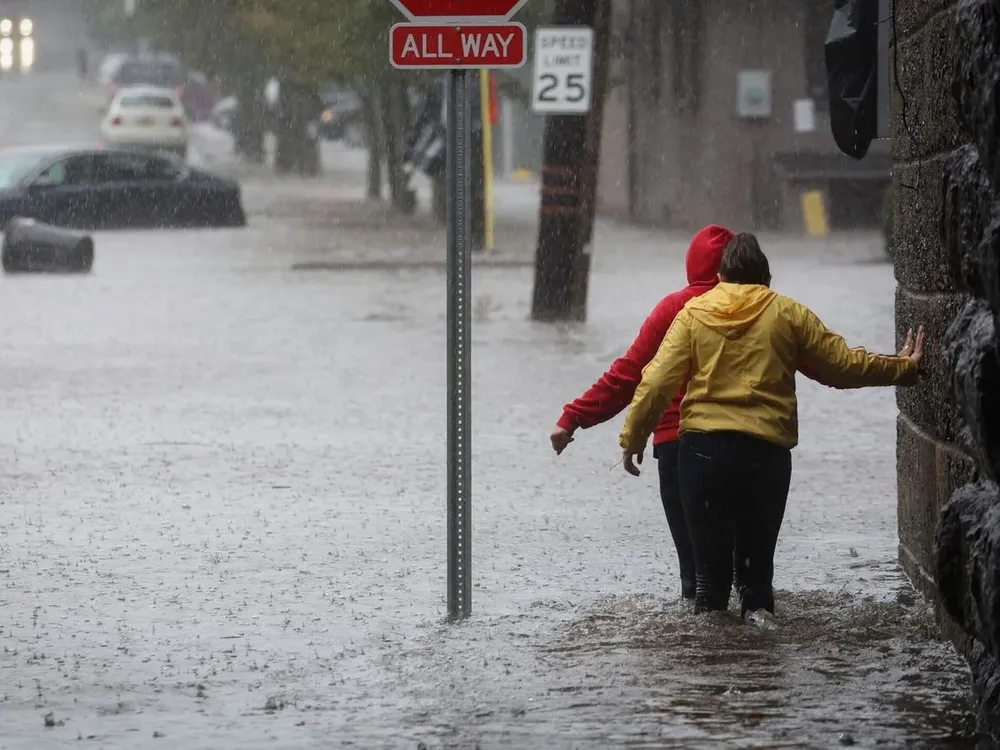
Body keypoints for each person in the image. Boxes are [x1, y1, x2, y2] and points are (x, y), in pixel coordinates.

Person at [617, 232, 925, 623]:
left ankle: (705, 653)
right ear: (765, 277)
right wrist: (903, 367)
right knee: (756, 581)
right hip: (764, 458)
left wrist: (633, 438)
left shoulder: (693, 315)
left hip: (703, 457)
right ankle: (762, 648)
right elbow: (842, 366)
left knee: (709, 585)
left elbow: (656, 382)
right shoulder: (788, 314)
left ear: (721, 277)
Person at [551, 225, 733, 600]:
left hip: (679, 448)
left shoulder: (674, 309)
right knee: (746, 570)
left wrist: (574, 417)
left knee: (697, 574)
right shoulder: (758, 308)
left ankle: (700, 633)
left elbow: (629, 375)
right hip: (743, 445)